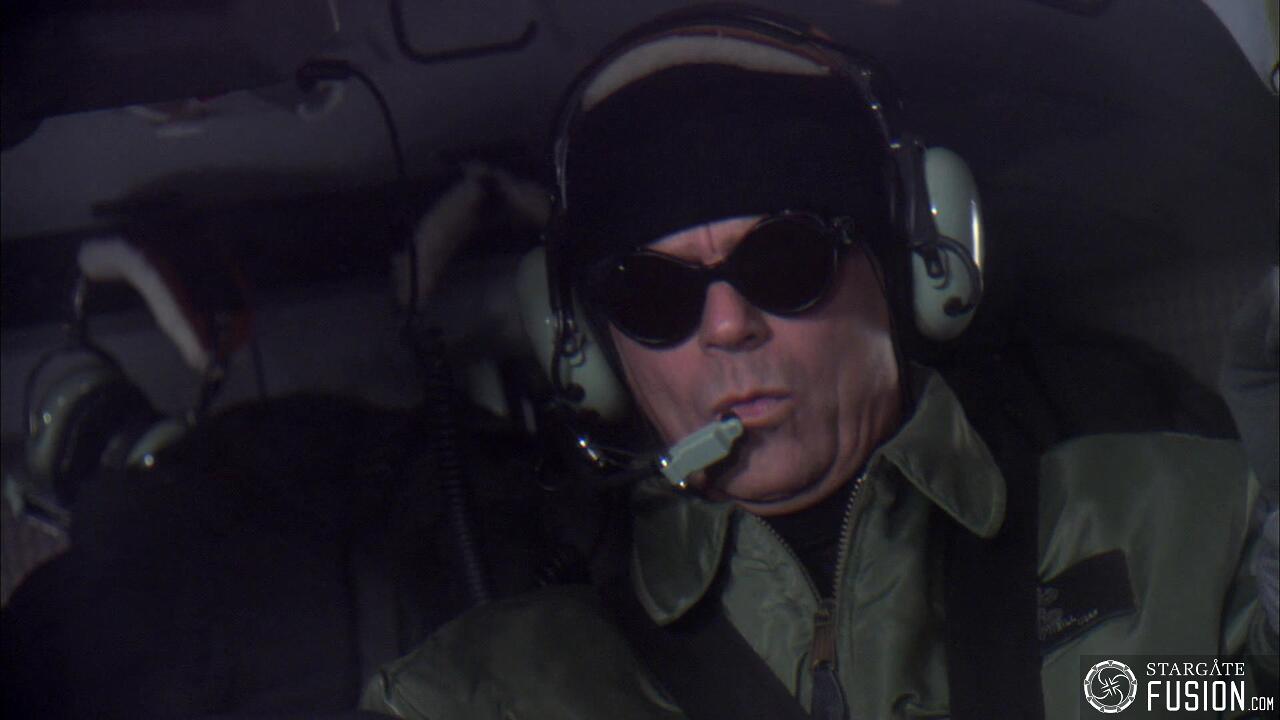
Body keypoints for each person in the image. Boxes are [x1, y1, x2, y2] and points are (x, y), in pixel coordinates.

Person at [361, 8, 1278, 719]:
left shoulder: (1187, 529)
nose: (727, 326)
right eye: (654, 295)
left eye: (783, 264)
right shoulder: (485, 695)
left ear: (912, 270)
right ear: (590, 350)